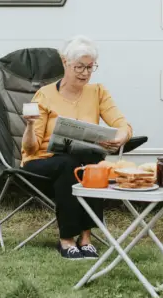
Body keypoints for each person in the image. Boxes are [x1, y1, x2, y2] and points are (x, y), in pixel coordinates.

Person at [21, 36, 133, 260]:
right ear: (65, 63)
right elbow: (30, 149)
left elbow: (123, 125)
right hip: (42, 160)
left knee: (93, 163)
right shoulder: (44, 95)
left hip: (79, 159)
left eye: (90, 67)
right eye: (79, 66)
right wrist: (31, 125)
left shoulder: (98, 92)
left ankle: (86, 238)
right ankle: (66, 239)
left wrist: (120, 138)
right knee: (70, 164)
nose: (85, 73)